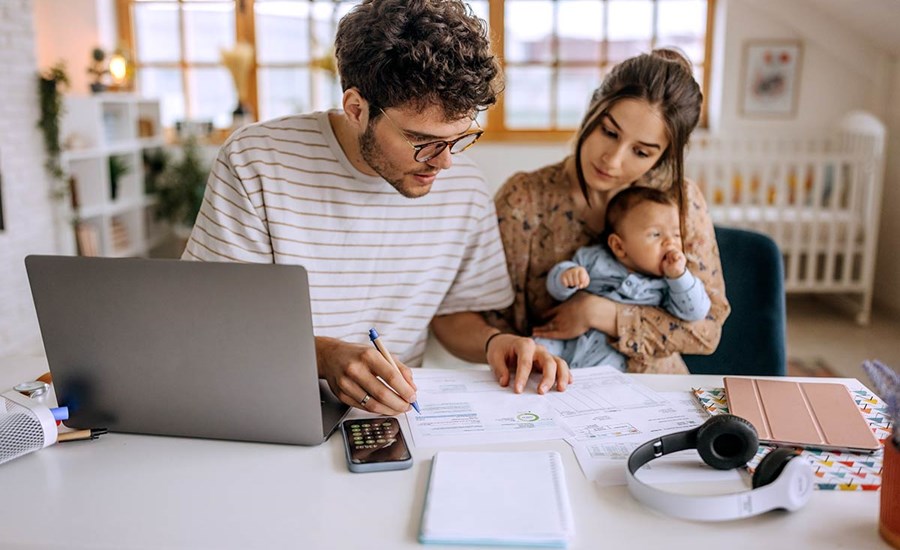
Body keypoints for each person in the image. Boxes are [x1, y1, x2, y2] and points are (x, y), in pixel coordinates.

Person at [182, 0, 571, 416]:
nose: (445, 162)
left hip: (392, 417)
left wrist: (496, 343)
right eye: (422, 142)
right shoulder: (256, 161)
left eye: (460, 138)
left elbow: (453, 316)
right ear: (356, 109)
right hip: (268, 403)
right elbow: (214, 324)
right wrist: (324, 356)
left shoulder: (464, 187)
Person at [488, 48, 731, 375]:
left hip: (654, 393)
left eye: (641, 151)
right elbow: (488, 321)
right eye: (609, 132)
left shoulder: (680, 201)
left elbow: (706, 330)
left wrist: (598, 312)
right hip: (548, 387)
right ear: (591, 108)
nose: (612, 160)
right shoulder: (523, 199)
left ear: (663, 157)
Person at [534, 186, 711, 370]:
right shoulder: (595, 259)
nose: (670, 242)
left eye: (676, 234)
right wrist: (566, 276)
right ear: (619, 246)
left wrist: (679, 277)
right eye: (656, 234)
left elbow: (695, 312)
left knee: (608, 373)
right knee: (538, 347)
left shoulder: (668, 285)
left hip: (611, 352)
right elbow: (555, 291)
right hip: (567, 340)